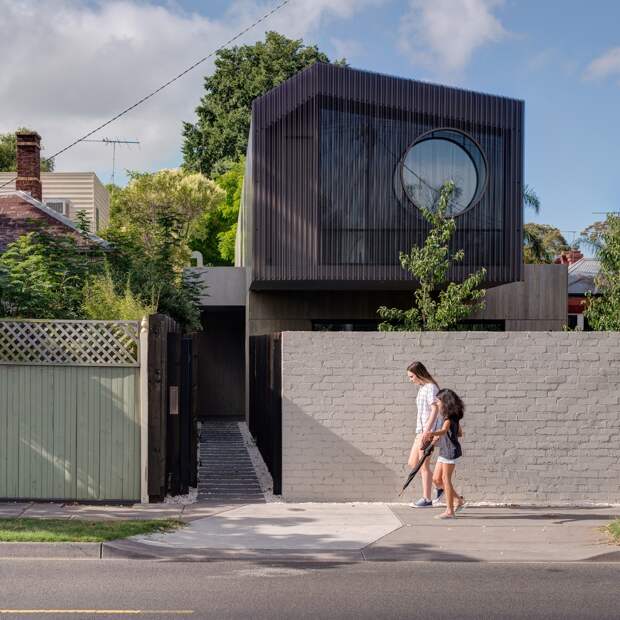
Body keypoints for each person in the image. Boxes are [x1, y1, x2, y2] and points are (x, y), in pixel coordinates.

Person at [423, 388, 465, 519]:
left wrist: (432, 434)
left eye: (438, 400)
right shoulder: (453, 416)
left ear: (445, 401)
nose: (437, 402)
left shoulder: (449, 417)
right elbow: (459, 433)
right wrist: (442, 436)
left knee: (446, 479)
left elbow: (444, 430)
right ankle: (458, 500)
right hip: (444, 450)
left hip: (450, 452)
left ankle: (449, 511)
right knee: (436, 479)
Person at [406, 361, 442, 508]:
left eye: (411, 376)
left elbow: (435, 410)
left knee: (423, 466)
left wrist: (427, 431)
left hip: (426, 432)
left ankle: (427, 499)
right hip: (419, 431)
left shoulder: (431, 388)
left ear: (419, 374)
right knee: (413, 463)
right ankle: (441, 486)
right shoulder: (422, 388)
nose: (410, 380)